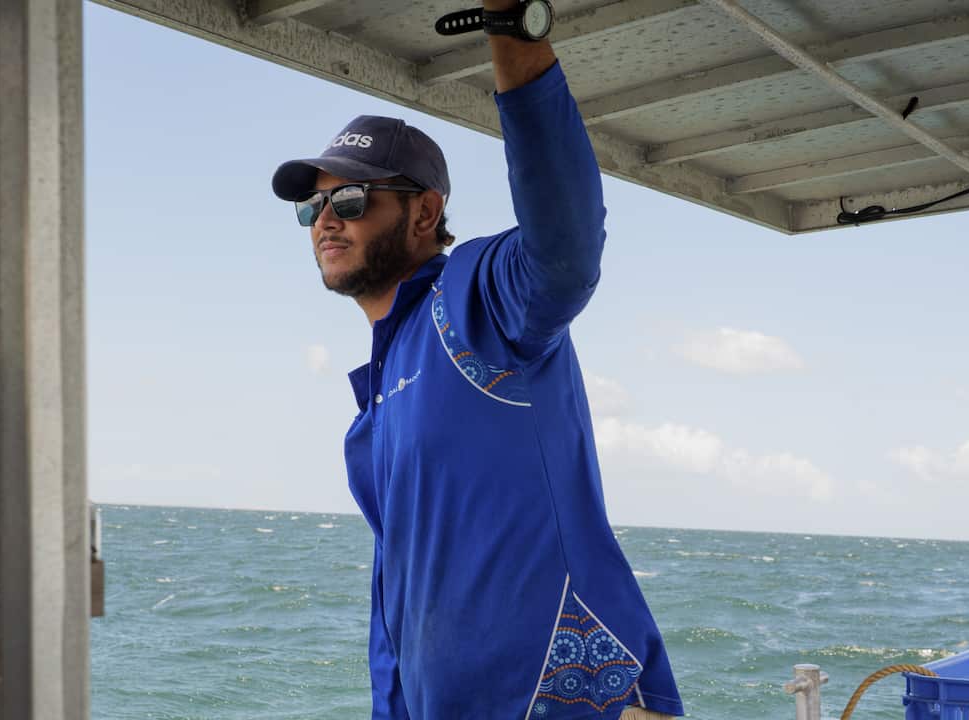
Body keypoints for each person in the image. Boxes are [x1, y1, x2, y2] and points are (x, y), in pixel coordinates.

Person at [272, 2, 684, 717]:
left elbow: (565, 250)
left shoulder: (478, 297)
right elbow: (398, 599)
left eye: (351, 198)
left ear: (425, 213)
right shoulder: (380, 397)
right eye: (313, 209)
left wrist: (512, 33)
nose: (326, 219)